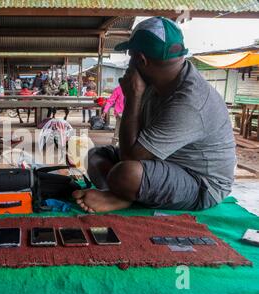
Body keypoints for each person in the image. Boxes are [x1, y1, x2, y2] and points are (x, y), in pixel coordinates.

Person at [73, 16, 236, 213]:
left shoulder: (190, 102)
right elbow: (136, 141)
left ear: (141, 60)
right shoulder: (157, 83)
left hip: (201, 183)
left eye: (131, 56)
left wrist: (132, 97)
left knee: (126, 173)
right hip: (161, 163)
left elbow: (129, 157)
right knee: (95, 154)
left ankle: (122, 191)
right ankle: (116, 194)